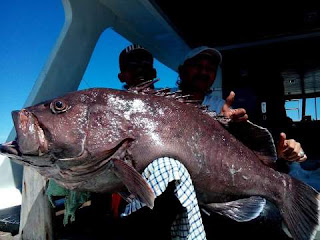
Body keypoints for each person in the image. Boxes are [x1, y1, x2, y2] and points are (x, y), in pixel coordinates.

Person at [177, 46, 307, 163]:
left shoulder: (222, 108)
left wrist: (279, 153)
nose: (204, 72)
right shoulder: (160, 99)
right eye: (198, 66)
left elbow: (246, 155)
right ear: (182, 70)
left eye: (210, 69)